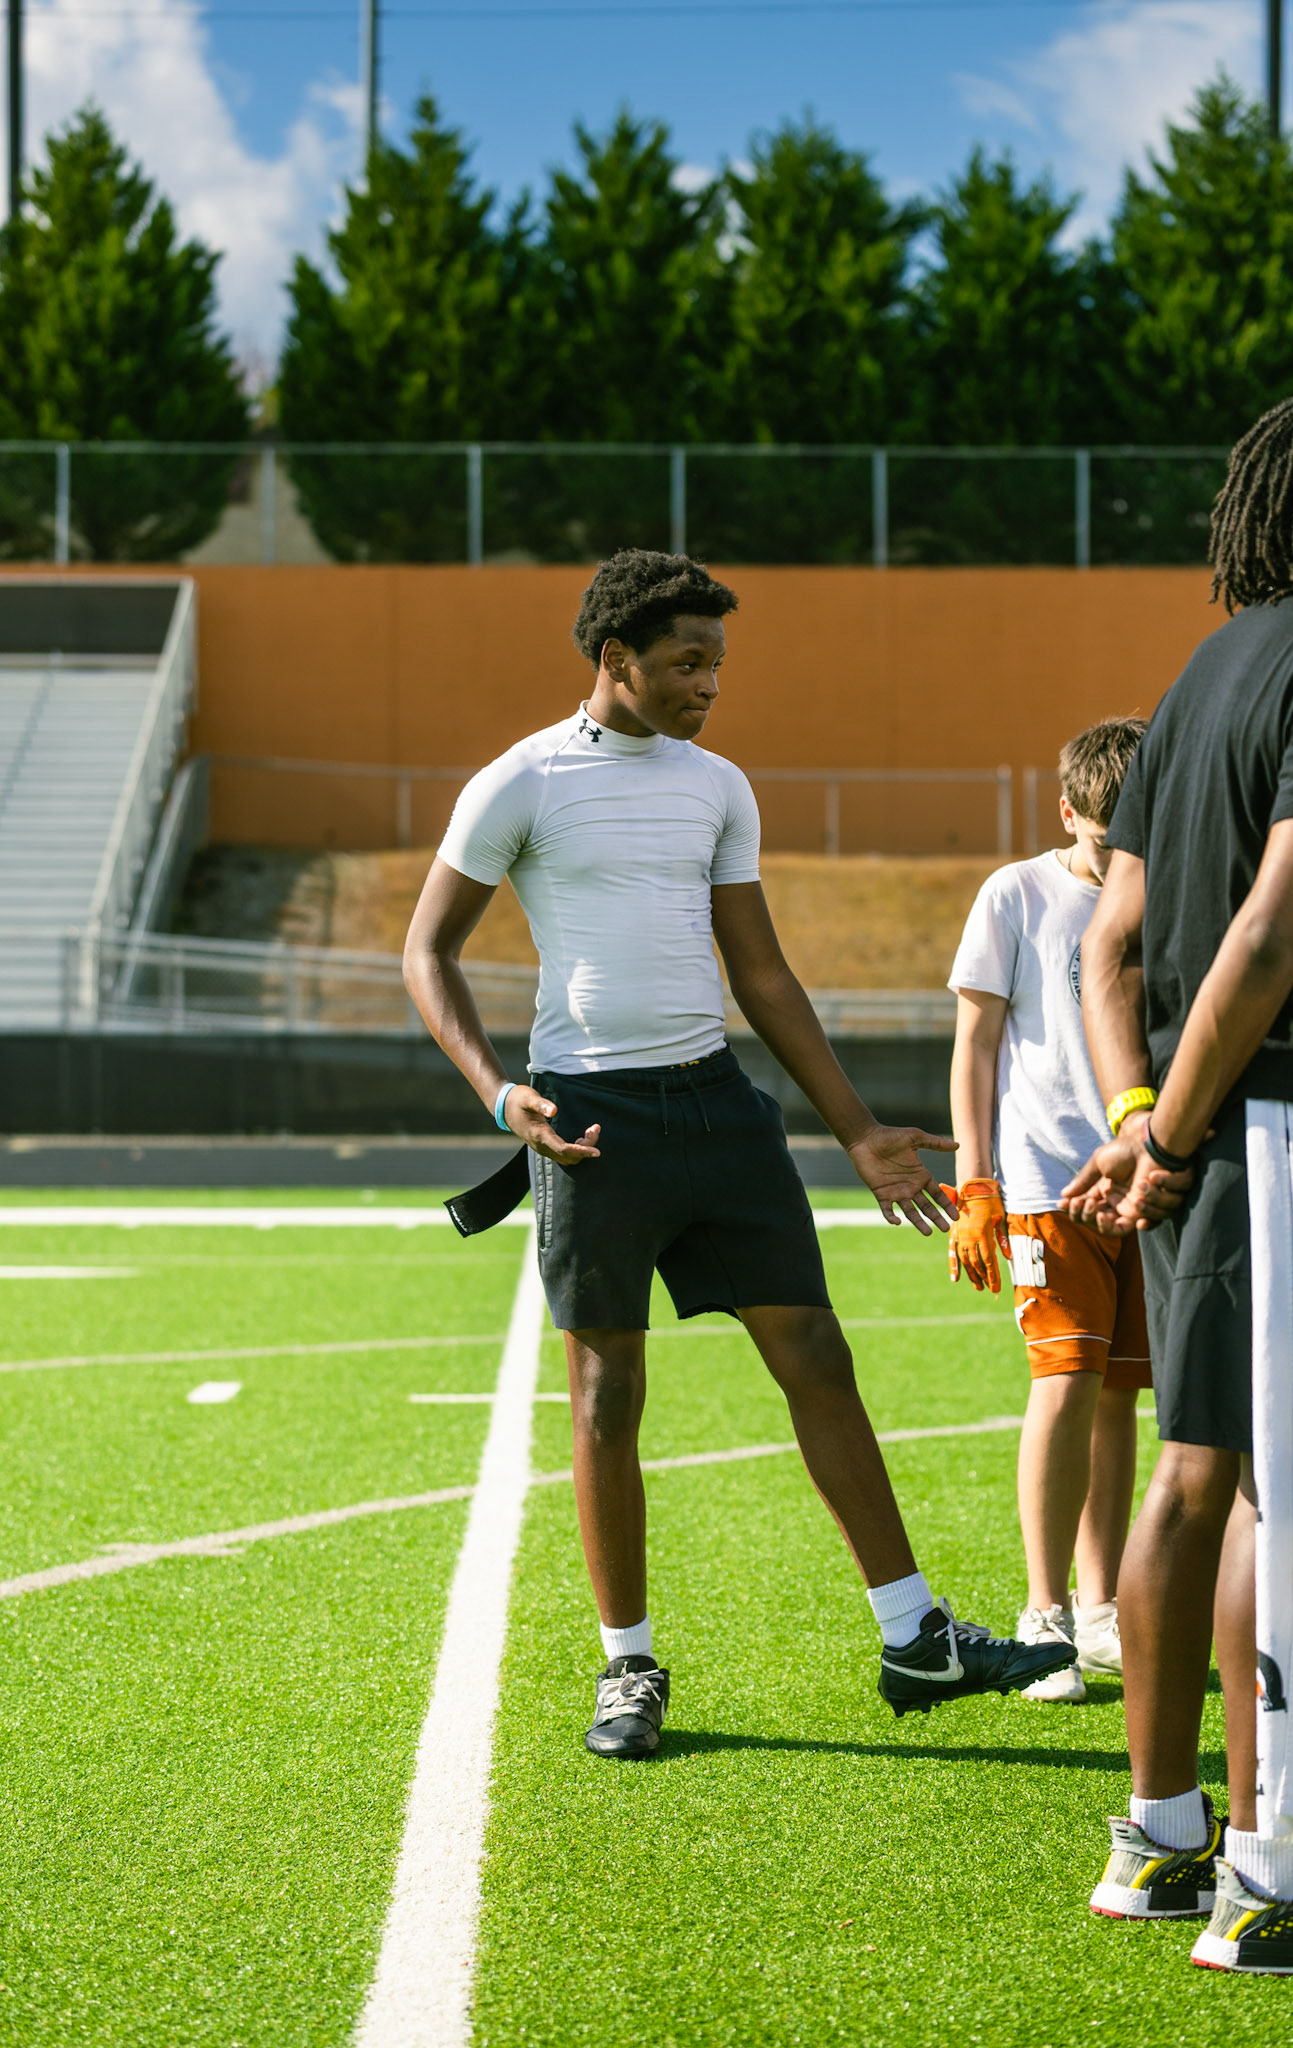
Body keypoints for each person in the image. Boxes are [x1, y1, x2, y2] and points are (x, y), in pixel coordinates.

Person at [404, 548, 1076, 1759]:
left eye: (717, 662)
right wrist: (499, 1093)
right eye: (687, 661)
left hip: (720, 1105)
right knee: (608, 1393)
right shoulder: (521, 780)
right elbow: (427, 951)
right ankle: (628, 1664)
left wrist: (856, 1126)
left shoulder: (717, 785)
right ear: (616, 658)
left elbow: (760, 972)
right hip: (591, 1124)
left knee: (818, 1352)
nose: (710, 683)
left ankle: (915, 1634)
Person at [1064, 390, 1293, 1973]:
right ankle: (1271, 1885)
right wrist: (1175, 1136)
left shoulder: (1194, 681)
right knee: (1277, 1494)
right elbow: (1273, 927)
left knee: (1195, 1473)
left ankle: (1160, 1840)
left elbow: (1108, 944)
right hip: (1280, 1132)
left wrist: (1137, 1112)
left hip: (1198, 1134)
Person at [945, 717, 1150, 1702]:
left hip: (1145, 1182)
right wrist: (977, 1182)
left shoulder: (1169, 887)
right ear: (1067, 813)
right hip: (1046, 1185)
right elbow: (975, 1045)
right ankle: (1045, 1612)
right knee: (1065, 1383)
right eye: (1107, 837)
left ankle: (1102, 1612)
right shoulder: (1014, 893)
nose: (1121, 854)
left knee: (1120, 1396)